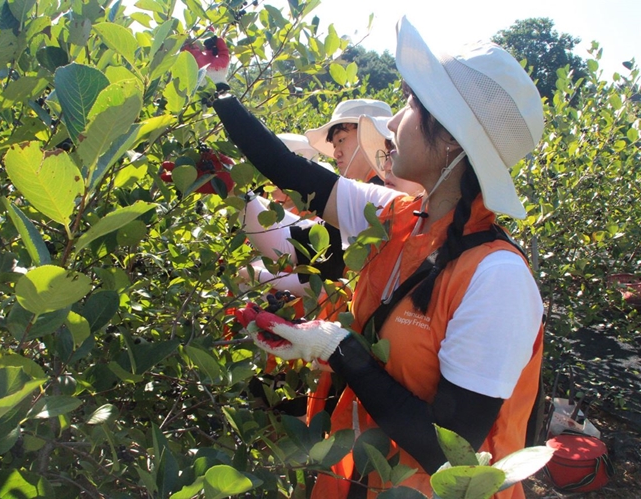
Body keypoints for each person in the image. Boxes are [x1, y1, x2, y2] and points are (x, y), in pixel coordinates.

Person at [201, 17, 545, 498]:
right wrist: (216, 89)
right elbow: (292, 172)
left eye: (409, 106)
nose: (394, 125)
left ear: (449, 138)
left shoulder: (497, 279)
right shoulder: (401, 217)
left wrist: (337, 350)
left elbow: (448, 453)